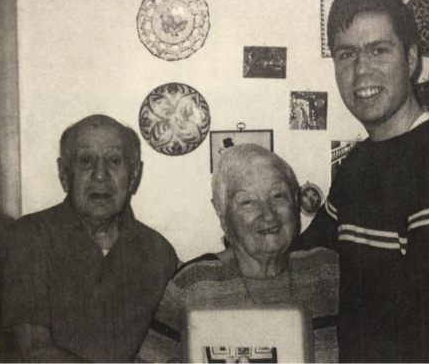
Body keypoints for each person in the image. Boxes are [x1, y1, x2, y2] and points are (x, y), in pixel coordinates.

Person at [292, 0, 429, 363]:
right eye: (346, 54)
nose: (361, 70)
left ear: (412, 59)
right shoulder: (358, 164)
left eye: (379, 50)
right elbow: (304, 253)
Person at [135, 144, 339, 364]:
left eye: (278, 196)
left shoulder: (327, 272)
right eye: (248, 202)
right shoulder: (193, 284)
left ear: (295, 200)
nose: (268, 215)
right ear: (222, 213)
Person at [2, 115, 178, 363]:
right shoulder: (31, 236)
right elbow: (35, 351)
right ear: (64, 173)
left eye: (114, 161)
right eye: (86, 161)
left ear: (134, 175)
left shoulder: (158, 252)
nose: (100, 175)